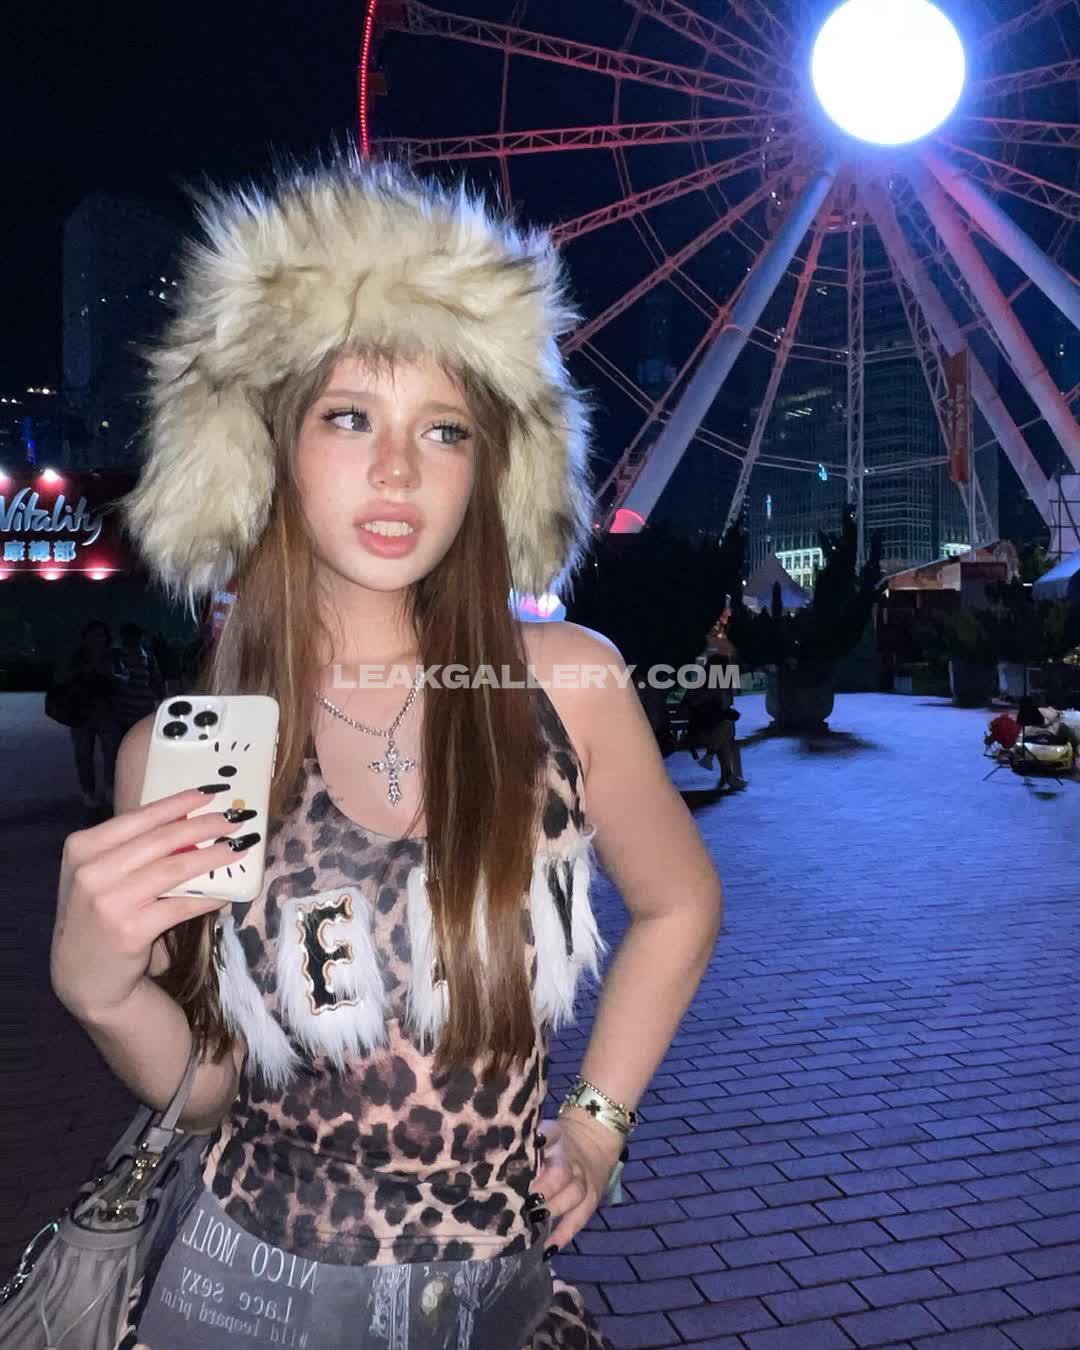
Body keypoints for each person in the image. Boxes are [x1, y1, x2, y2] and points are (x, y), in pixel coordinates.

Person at [48, 155, 724, 1349]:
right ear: (270, 443)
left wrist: (601, 1121)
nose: (399, 469)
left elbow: (679, 905)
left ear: (489, 465)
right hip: (246, 1297)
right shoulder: (201, 748)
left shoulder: (564, 687)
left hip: (494, 1295)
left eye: (444, 429)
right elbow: (209, 1091)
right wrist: (101, 994)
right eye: (350, 415)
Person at [63, 618, 124, 808]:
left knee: (112, 754)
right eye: (93, 635)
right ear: (85, 638)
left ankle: (110, 788)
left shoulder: (113, 656)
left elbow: (124, 678)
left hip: (108, 712)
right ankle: (88, 791)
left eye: (100, 635)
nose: (97, 639)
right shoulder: (77, 658)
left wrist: (110, 674)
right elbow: (65, 679)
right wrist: (84, 672)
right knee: (83, 754)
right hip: (82, 713)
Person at [684, 628, 747, 791]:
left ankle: (723, 770)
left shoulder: (719, 684)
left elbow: (726, 703)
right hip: (700, 729)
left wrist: (724, 708)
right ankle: (723, 770)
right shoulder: (701, 682)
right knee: (726, 730)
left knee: (725, 730)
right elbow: (694, 705)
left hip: (714, 727)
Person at [113, 622, 167, 734]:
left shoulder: (149, 658)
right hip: (123, 717)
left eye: (137, 635)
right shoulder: (117, 657)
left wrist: (161, 700)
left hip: (145, 713)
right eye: (130, 635)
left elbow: (157, 681)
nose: (134, 638)